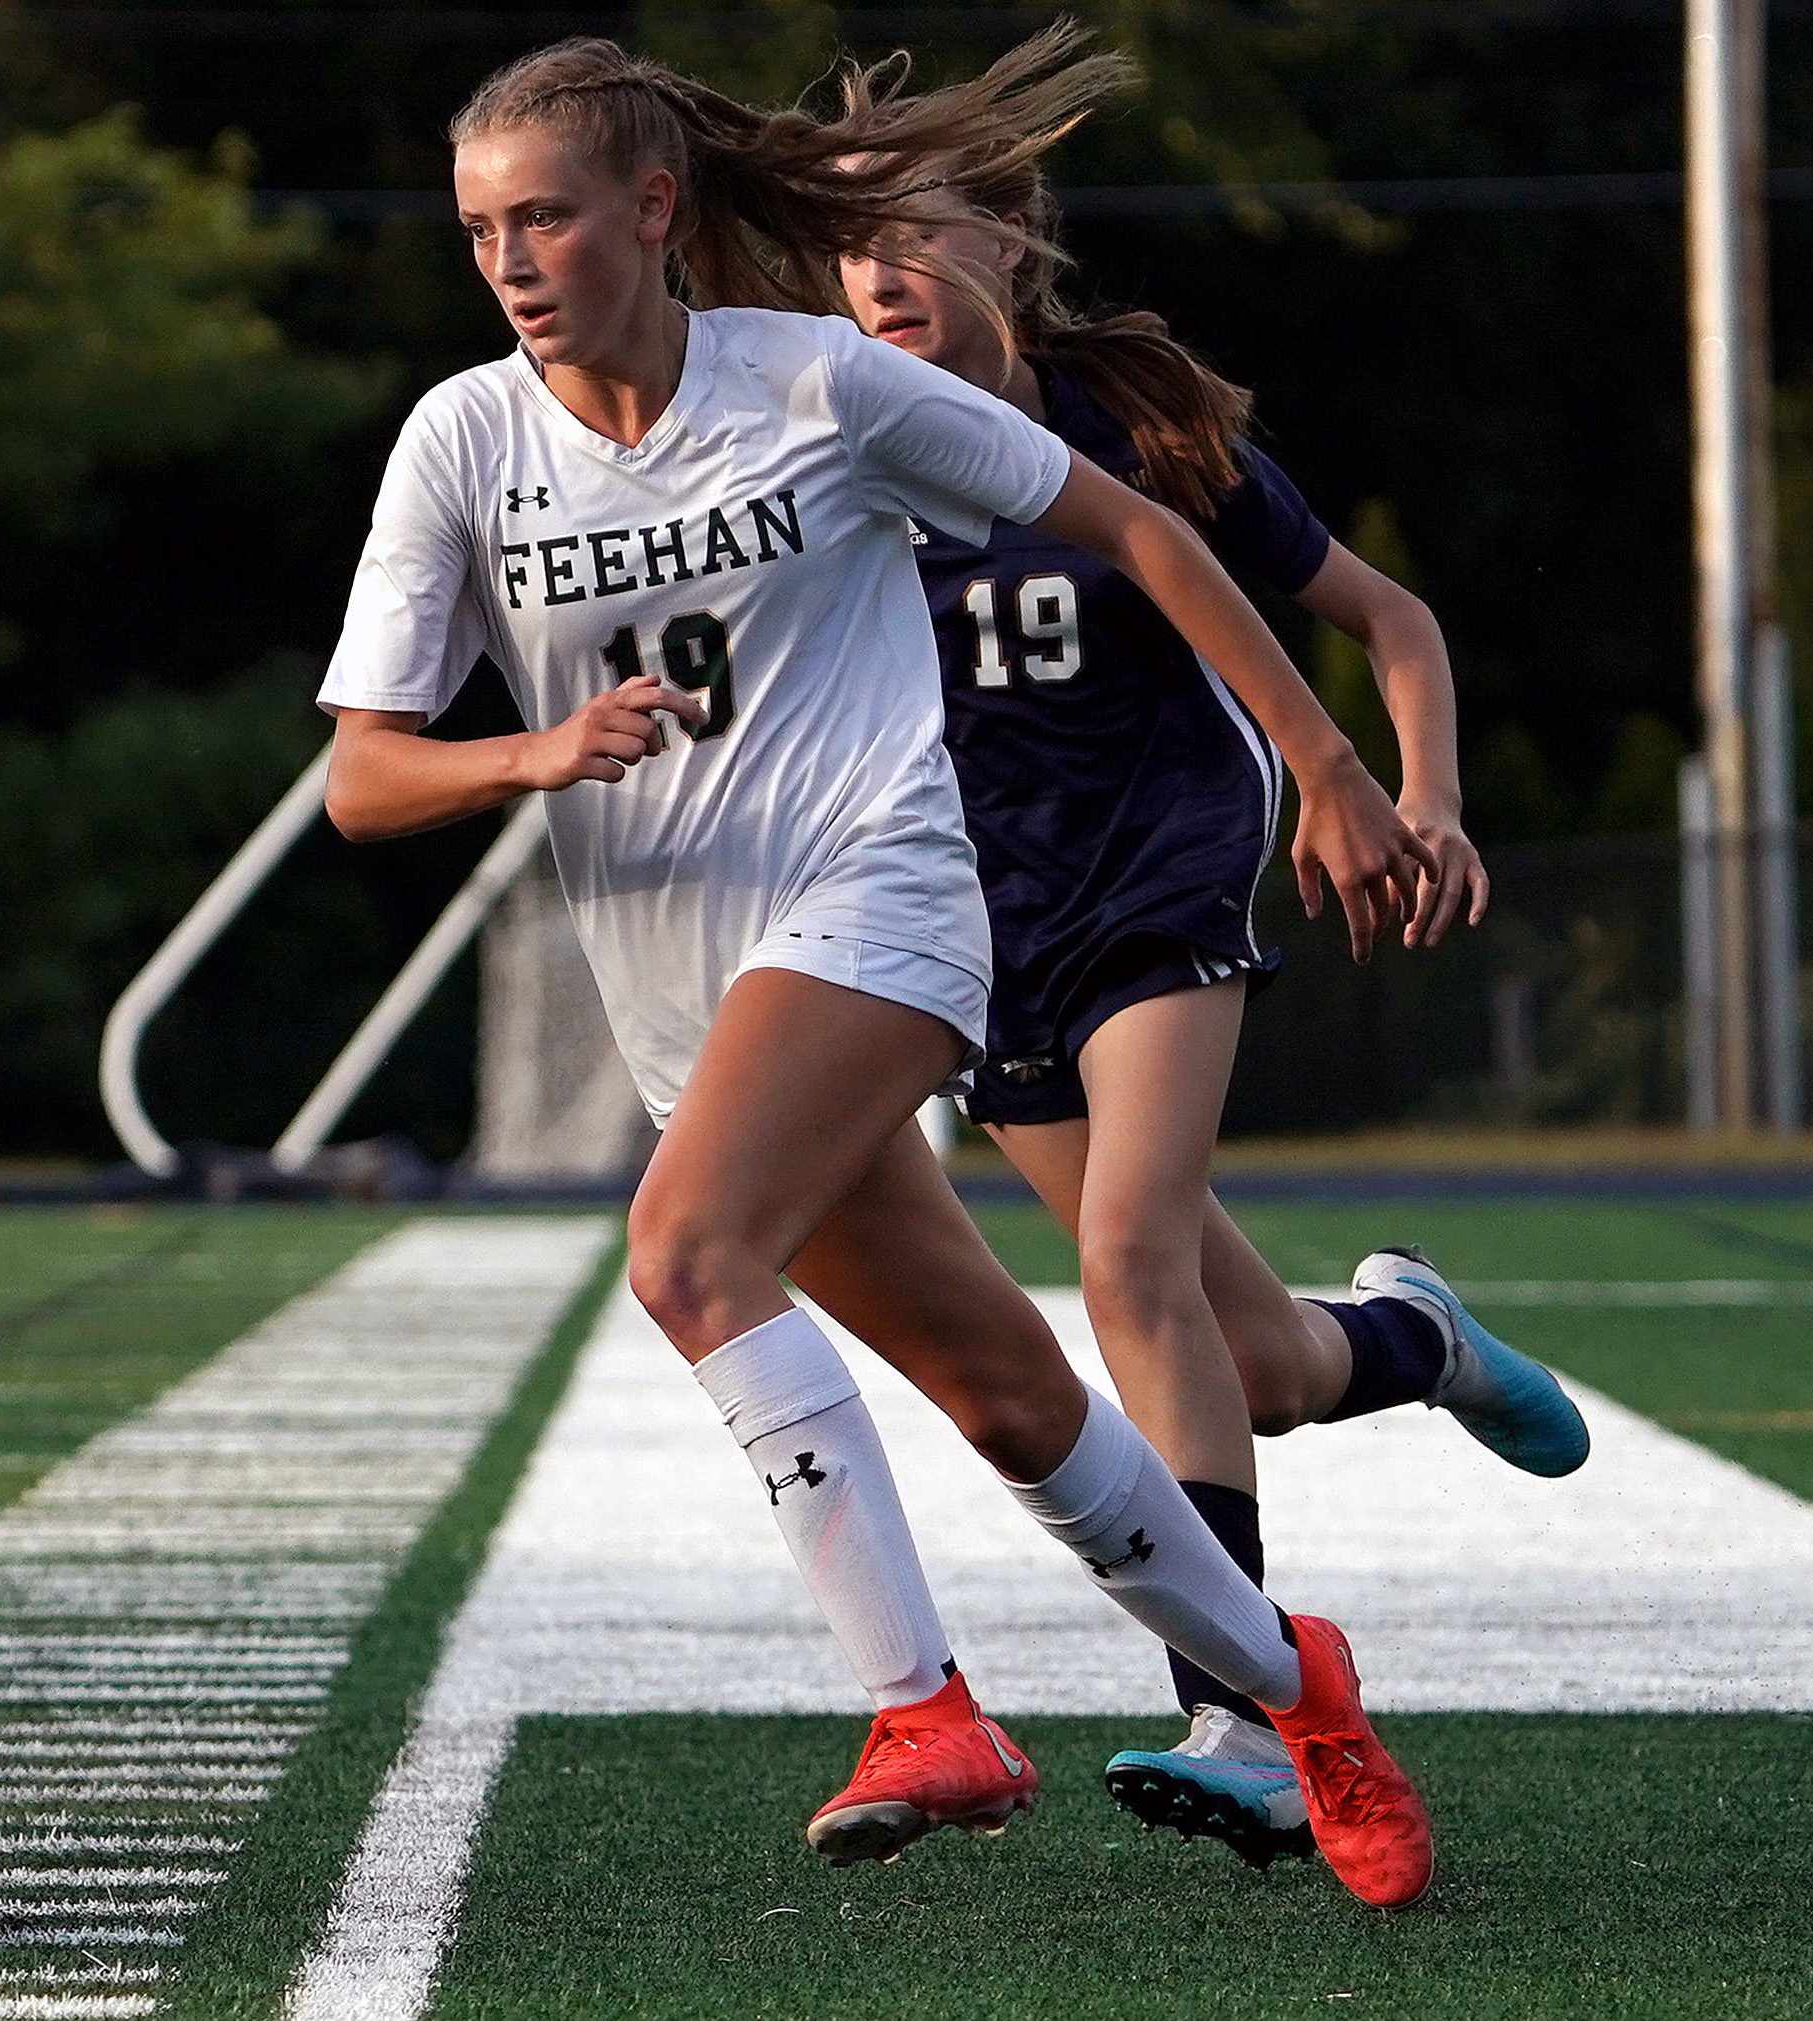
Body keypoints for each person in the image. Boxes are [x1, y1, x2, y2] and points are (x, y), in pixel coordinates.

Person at [318, 34, 1444, 1908]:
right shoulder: (461, 443)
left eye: (545, 217)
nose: (509, 259)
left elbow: (1141, 528)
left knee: (684, 1254)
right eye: (478, 229)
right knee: (1015, 1398)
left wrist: (1328, 762)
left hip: (885, 909)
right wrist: (527, 751)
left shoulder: (823, 387)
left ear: (655, 210)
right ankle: (1298, 1690)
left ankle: (924, 1708)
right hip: (690, 1000)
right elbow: (363, 772)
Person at [827, 28, 1592, 1869]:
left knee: (1122, 1267)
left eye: (918, 237)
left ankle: (1240, 1713)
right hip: (983, 929)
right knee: (1248, 1361)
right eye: (851, 257)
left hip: (1164, 884)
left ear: (1011, 245)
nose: (880, 282)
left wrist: (1423, 793)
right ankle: (1415, 1330)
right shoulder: (832, 446)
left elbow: (1389, 617)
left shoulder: (1142, 422)